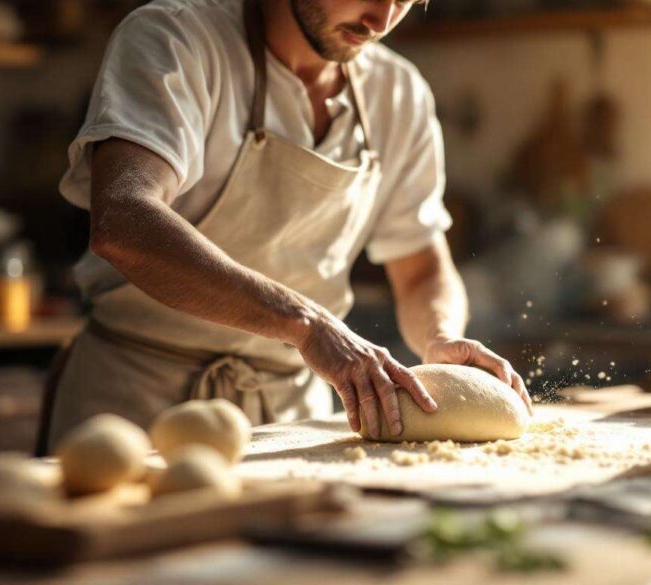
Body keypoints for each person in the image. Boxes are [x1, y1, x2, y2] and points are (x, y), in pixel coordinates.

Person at [39, 0, 532, 452]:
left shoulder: (398, 94)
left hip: (290, 425)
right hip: (133, 408)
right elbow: (124, 217)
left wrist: (440, 337)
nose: (381, 20)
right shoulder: (178, 39)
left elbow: (422, 268)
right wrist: (306, 323)